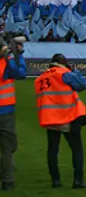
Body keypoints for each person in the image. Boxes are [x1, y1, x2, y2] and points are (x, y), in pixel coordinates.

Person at [35, 54, 86, 189]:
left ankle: (55, 180)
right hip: (67, 116)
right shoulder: (63, 73)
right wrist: (74, 71)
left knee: (53, 149)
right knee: (77, 149)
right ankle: (78, 180)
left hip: (49, 117)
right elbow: (82, 84)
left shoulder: (40, 79)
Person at [0, 35, 26, 191]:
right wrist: (17, 55)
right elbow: (20, 73)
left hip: (5, 109)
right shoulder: (5, 65)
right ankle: (7, 180)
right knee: (8, 147)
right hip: (5, 110)